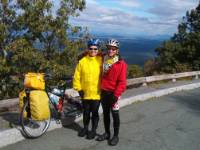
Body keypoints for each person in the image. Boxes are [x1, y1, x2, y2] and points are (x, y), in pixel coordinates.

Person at [96, 39, 127, 146]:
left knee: (115, 114)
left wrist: (116, 94)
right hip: (104, 91)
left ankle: (116, 135)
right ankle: (107, 133)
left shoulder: (121, 63)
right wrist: (83, 54)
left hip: (113, 93)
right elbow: (92, 52)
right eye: (109, 48)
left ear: (117, 51)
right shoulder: (103, 58)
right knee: (105, 114)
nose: (110, 51)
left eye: (113, 49)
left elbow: (122, 82)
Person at [73, 39, 102, 140]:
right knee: (86, 112)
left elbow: (111, 67)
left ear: (98, 50)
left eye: (95, 49)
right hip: (85, 93)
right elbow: (76, 77)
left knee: (94, 112)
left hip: (97, 93)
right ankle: (85, 128)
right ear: (88, 49)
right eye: (91, 48)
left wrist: (118, 58)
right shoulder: (82, 61)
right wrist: (79, 89)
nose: (93, 50)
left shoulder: (101, 61)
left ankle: (93, 130)